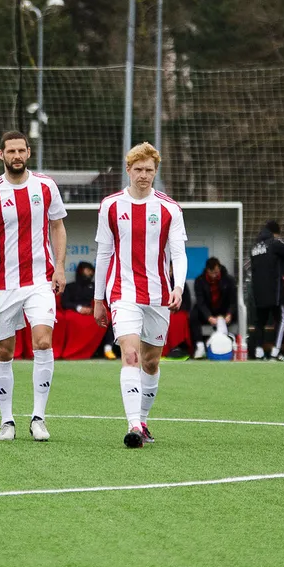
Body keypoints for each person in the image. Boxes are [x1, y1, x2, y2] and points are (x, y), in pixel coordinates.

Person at [93, 142, 188, 449]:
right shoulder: (111, 206)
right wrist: (98, 299)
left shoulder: (169, 208)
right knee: (130, 356)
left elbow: (179, 253)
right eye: (138, 170)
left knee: (150, 362)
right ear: (128, 170)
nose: (144, 175)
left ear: (155, 171)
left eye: (149, 170)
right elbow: (104, 254)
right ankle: (133, 425)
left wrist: (178, 286)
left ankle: (143, 420)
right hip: (123, 293)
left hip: (159, 294)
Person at [0, 132, 68, 442]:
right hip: (3, 287)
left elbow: (58, 227)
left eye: (21, 150)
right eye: (11, 150)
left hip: (40, 282)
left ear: (28, 153)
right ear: (0, 154)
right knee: (3, 351)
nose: (17, 155)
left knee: (43, 341)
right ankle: (7, 421)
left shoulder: (45, 186)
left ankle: (39, 418)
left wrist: (60, 267)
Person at [248, 220, 284, 360]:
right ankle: (276, 350)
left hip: (258, 292)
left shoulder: (254, 247)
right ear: (275, 233)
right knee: (281, 319)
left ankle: (258, 351)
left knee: (259, 322)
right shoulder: (274, 244)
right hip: (275, 292)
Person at [189, 257, 237, 358]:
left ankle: (228, 344)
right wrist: (209, 317)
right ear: (207, 270)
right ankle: (200, 345)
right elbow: (200, 302)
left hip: (223, 312)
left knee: (235, 313)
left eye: (216, 272)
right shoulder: (199, 281)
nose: (214, 275)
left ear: (219, 269)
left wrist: (229, 314)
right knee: (194, 314)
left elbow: (233, 301)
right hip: (207, 312)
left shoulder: (229, 280)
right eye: (212, 272)